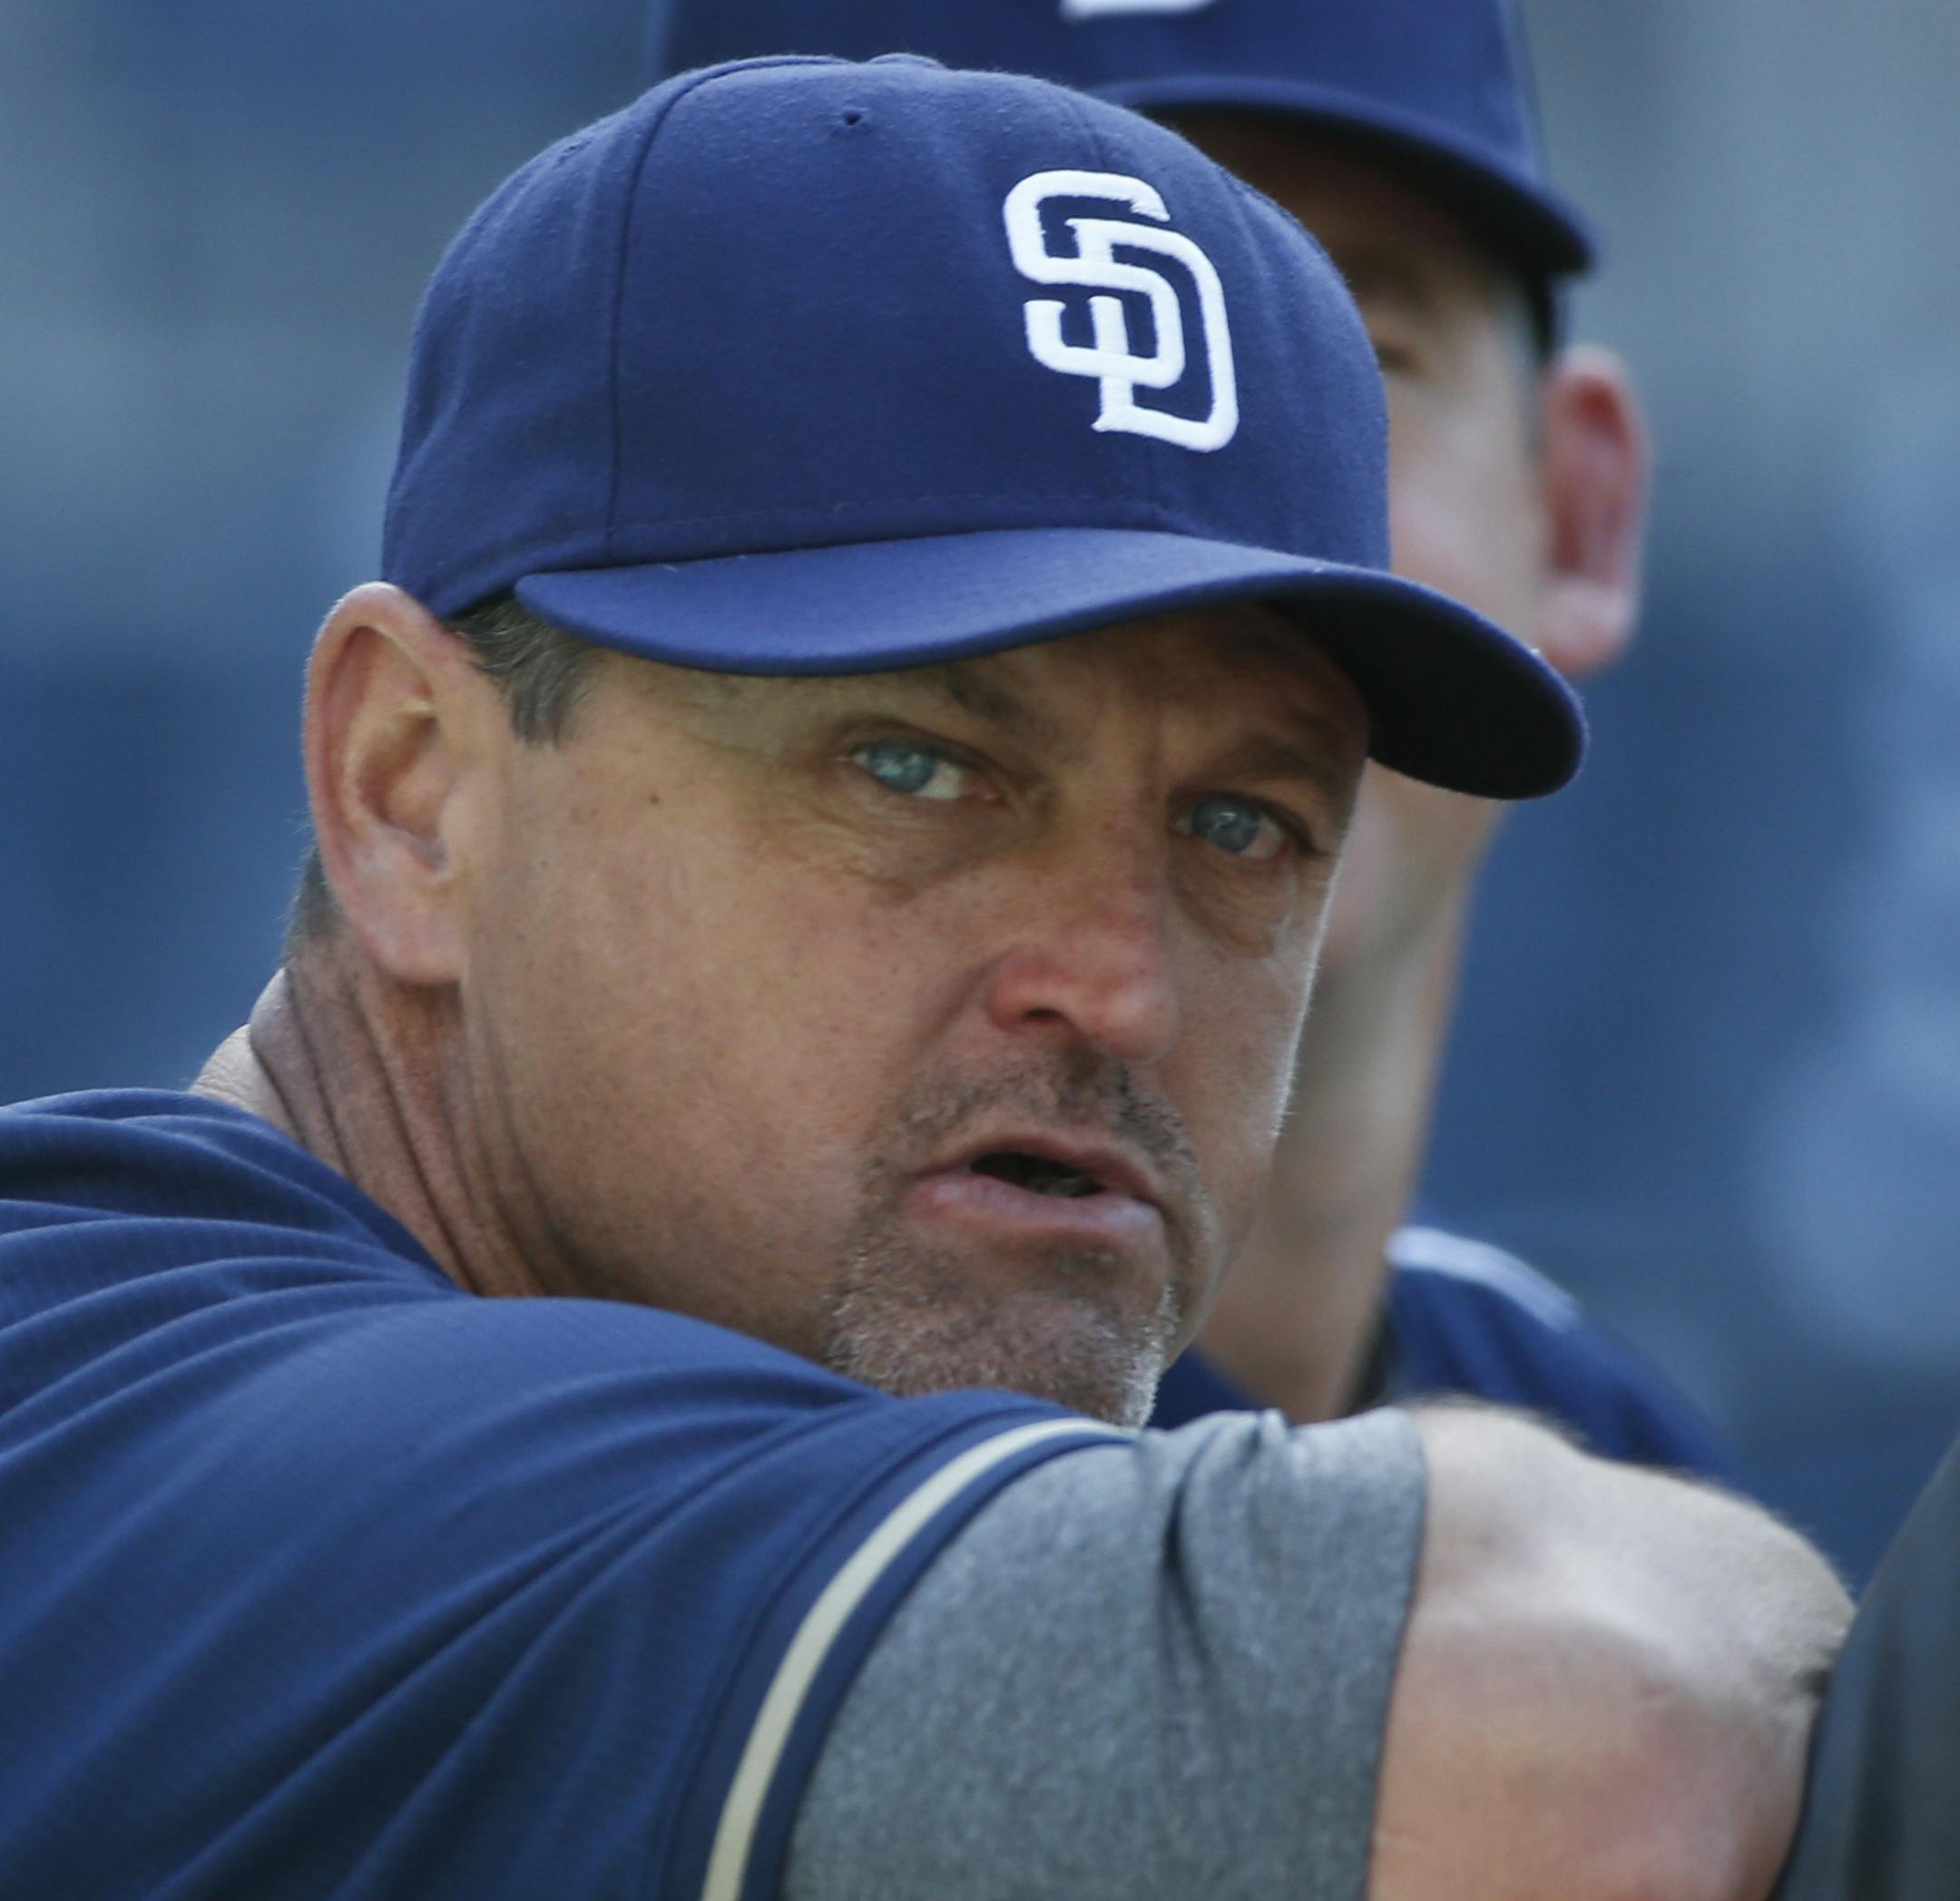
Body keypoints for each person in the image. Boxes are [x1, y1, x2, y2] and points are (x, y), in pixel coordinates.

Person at [0, 56, 1846, 1900]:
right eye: (912, 765)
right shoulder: (121, 1432)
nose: (1119, 985)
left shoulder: (1336, 1385)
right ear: (410, 788)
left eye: (1240, 820)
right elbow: (1561, 1739)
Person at [646, 0, 1722, 1466]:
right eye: (1002, 324)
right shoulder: (503, 1474)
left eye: (1335, 348)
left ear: (1582, 511)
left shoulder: (1604, 1452)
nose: (1185, 513)